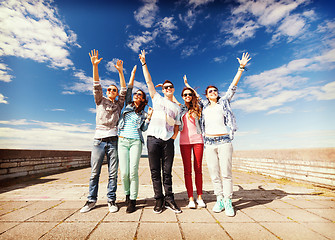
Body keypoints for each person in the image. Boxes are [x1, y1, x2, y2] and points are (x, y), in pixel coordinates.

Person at [186, 52, 251, 217]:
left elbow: (232, 87)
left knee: (226, 173)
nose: (213, 92)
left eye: (215, 90)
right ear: (206, 95)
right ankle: (219, 199)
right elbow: (195, 96)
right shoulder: (204, 107)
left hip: (224, 141)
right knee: (214, 173)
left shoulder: (224, 103)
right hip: (209, 143)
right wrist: (188, 85)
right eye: (210, 91)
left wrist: (241, 68)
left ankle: (228, 201)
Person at [80, 49, 126, 213]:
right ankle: (91, 200)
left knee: (113, 174)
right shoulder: (100, 101)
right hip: (98, 141)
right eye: (110, 90)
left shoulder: (119, 105)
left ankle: (111, 200)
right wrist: (94, 66)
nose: (112, 92)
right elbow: (96, 85)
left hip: (113, 141)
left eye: (114, 90)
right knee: (94, 173)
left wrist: (120, 72)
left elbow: (124, 90)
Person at [139, 49, 182, 214]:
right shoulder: (156, 98)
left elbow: (177, 123)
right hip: (153, 139)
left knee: (167, 171)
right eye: (166, 87)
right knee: (154, 171)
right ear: (163, 89)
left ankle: (170, 200)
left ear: (173, 89)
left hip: (168, 141)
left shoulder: (176, 107)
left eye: (171, 87)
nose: (168, 88)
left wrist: (174, 137)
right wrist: (144, 63)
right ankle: (158, 200)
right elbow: (148, 81)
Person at [118, 65, 153, 213]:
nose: (136, 95)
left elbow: (144, 129)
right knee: (124, 172)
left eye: (140, 95)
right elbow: (128, 88)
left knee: (133, 171)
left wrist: (149, 118)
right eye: (136, 94)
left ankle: (133, 200)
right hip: (122, 140)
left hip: (135, 142)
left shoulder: (143, 114)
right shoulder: (127, 105)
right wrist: (132, 73)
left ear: (144, 99)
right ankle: (127, 195)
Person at [178, 76, 206, 209]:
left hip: (198, 141)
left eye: (189, 94)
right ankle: (190, 198)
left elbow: (198, 97)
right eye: (185, 94)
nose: (188, 96)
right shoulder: (180, 109)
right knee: (187, 171)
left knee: (198, 169)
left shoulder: (198, 106)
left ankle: (199, 197)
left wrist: (187, 84)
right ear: (182, 97)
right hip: (184, 142)